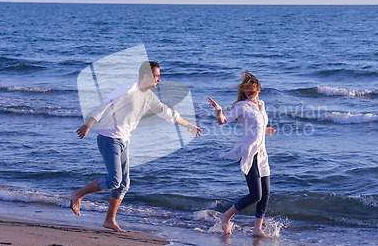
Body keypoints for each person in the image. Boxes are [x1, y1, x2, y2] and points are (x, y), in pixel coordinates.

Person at [71, 61, 201, 232]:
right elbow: (104, 105)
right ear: (146, 76)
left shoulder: (149, 96)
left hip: (124, 140)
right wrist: (88, 124)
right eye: (156, 76)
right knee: (113, 180)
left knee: (124, 185)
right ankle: (78, 194)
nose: (159, 80)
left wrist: (188, 125)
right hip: (108, 138)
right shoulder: (128, 89)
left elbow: (167, 113)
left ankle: (109, 220)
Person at [208, 71, 276, 237]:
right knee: (255, 194)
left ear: (258, 89)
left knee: (265, 194)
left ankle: (257, 228)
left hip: (262, 154)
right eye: (246, 90)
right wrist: (218, 111)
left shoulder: (261, 105)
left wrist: (265, 130)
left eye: (251, 90)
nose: (249, 92)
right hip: (250, 152)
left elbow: (257, 124)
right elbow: (223, 121)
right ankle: (225, 216)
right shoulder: (241, 106)